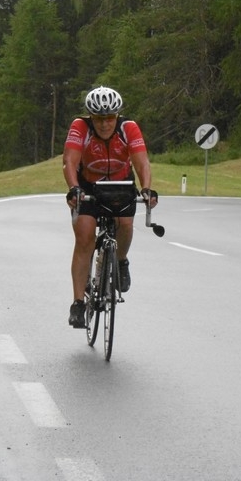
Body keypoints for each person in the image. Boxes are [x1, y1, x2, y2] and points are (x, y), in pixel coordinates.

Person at [62, 86, 158, 328]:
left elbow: (141, 162)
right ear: (91, 118)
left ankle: (122, 260)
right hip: (89, 187)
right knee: (84, 237)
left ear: (117, 116)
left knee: (125, 225)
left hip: (120, 184)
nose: (105, 124)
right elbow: (69, 162)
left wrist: (146, 189)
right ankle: (77, 304)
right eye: (99, 119)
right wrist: (74, 188)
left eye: (110, 118)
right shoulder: (80, 127)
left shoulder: (128, 128)